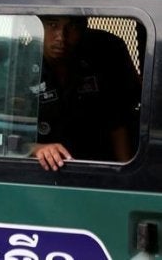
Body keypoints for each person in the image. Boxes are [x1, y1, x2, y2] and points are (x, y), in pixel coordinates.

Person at [32, 16, 141, 171]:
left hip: (99, 169)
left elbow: (118, 122)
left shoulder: (102, 57)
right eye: (52, 24)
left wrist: (127, 173)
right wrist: (35, 149)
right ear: (37, 26)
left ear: (84, 28)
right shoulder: (18, 67)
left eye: (72, 27)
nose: (61, 37)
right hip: (40, 173)